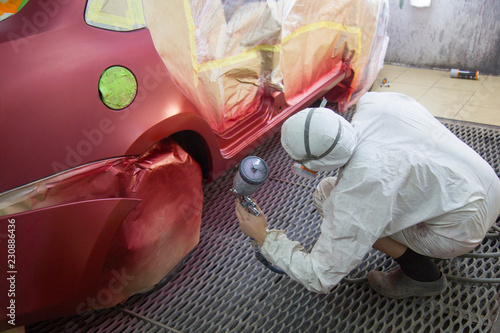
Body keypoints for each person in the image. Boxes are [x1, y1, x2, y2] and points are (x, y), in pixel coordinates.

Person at [235, 92, 500, 298]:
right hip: (485, 186)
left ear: (314, 164)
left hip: (460, 232)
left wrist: (264, 237)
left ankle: (422, 275)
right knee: (332, 192)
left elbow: (319, 277)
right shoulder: (375, 103)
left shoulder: (362, 185)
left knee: (327, 198)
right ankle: (428, 229)